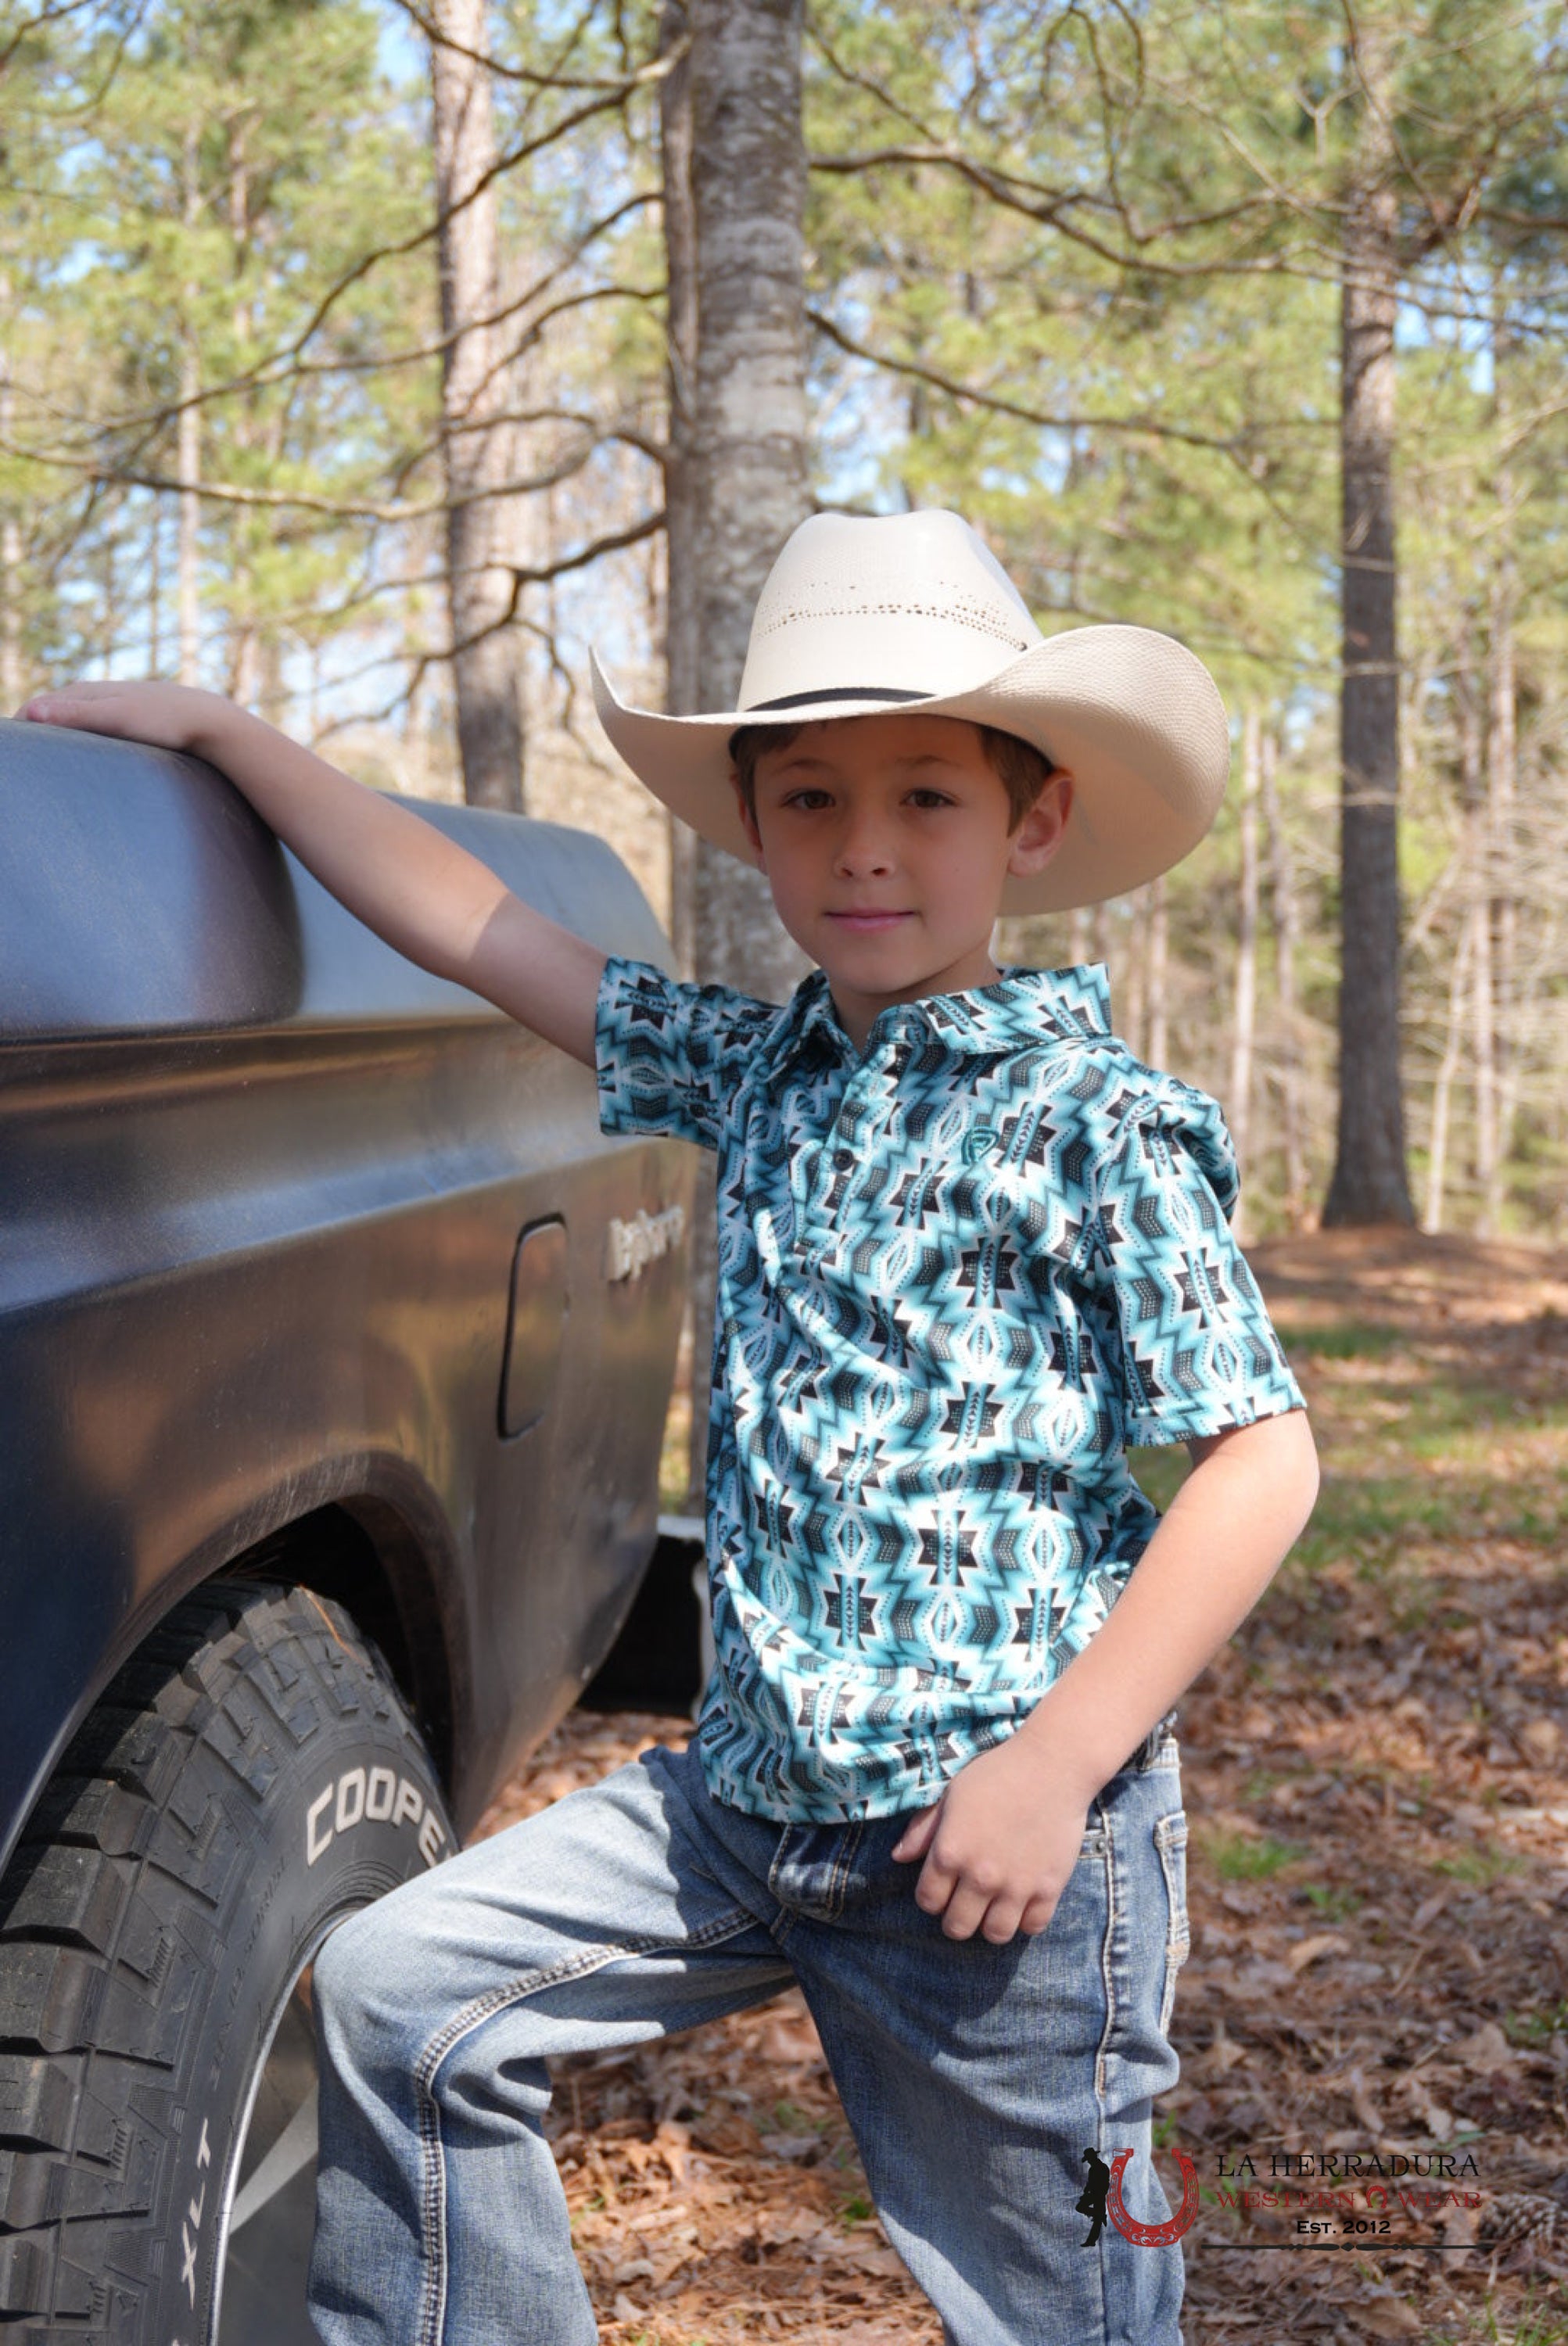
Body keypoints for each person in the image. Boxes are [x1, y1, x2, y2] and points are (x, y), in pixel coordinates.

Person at [20, 508, 1319, 2346]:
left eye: (926, 798)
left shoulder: (1092, 1124)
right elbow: (474, 928)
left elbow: (1263, 1464)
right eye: (809, 802)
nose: (863, 849)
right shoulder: (756, 1064)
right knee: (405, 1987)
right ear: (758, 828)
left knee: (1063, 2313)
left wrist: (1050, 1769)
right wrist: (236, 740)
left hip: (992, 1847)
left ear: (1030, 825)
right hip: (745, 1808)